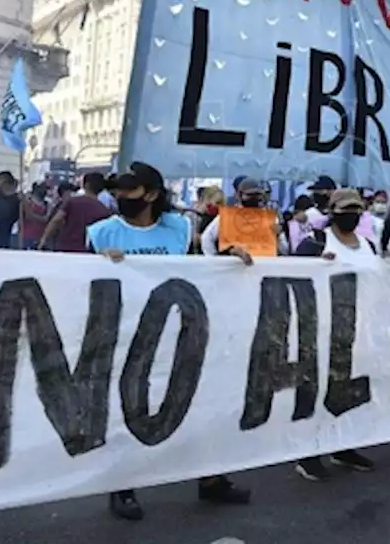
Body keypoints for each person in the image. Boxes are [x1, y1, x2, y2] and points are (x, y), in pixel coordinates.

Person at [86, 162, 252, 520]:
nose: (119, 197)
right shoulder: (101, 233)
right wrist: (99, 265)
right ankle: (123, 486)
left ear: (151, 194)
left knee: (201, 404)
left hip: (178, 328)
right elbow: (75, 279)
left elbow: (194, 268)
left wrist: (227, 259)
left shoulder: (178, 228)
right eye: (117, 190)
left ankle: (210, 479)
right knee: (128, 409)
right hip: (127, 333)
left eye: (128, 190)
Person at [289, 189, 377, 480]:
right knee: (316, 391)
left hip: (357, 329)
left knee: (349, 391)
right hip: (321, 329)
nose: (351, 214)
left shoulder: (367, 245)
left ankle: (343, 447)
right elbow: (291, 277)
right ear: (332, 211)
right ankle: (308, 453)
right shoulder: (315, 243)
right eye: (345, 209)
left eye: (356, 209)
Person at [199, 178, 283, 256]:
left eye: (257, 194)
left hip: (261, 267)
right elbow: (206, 238)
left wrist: (278, 236)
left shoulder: (269, 218)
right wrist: (214, 259)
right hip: (234, 267)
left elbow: (284, 248)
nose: (253, 198)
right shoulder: (228, 216)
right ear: (239, 195)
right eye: (249, 195)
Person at [39, 173, 113, 253]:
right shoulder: (104, 210)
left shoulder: (72, 202)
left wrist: (44, 239)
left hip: (65, 248)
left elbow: (56, 220)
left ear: (85, 185)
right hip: (88, 253)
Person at [20, 183, 50, 250]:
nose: (44, 191)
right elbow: (28, 216)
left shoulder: (46, 203)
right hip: (28, 234)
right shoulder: (28, 201)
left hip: (40, 235)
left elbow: (47, 218)